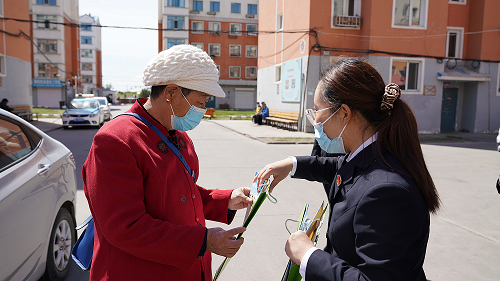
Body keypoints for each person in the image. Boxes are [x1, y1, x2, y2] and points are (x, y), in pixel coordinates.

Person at [254, 59, 440, 281]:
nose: (316, 120)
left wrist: (308, 256)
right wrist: (292, 165)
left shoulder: (387, 193)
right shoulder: (369, 154)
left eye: (317, 111)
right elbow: (341, 168)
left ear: (344, 113)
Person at [83, 45, 253, 281]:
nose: (203, 110)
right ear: (171, 92)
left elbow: (182, 195)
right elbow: (125, 227)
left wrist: (226, 199)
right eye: (201, 102)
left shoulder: (177, 134)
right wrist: (204, 241)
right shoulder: (116, 139)